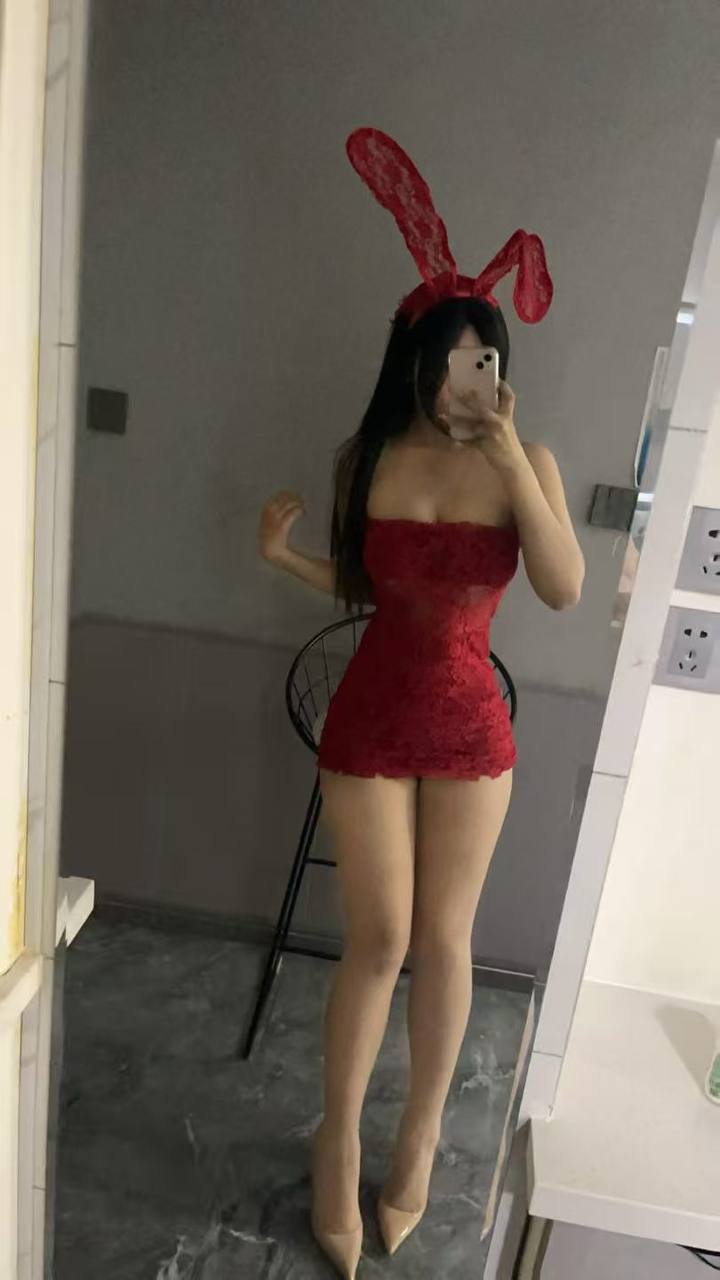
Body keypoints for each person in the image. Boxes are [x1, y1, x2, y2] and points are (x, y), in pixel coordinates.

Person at [257, 130, 585, 1280]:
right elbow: (368, 586)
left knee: (446, 939)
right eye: (448, 360)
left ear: (499, 366)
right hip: (371, 717)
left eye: (481, 358)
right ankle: (338, 1140)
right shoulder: (368, 458)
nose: (465, 377)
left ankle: (421, 1139)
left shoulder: (528, 460)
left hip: (470, 726)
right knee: (382, 937)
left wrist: (509, 459)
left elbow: (563, 586)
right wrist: (282, 558)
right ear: (413, 365)